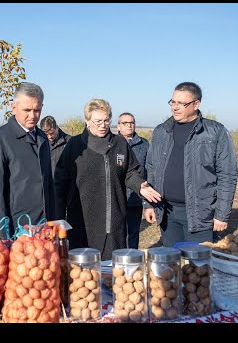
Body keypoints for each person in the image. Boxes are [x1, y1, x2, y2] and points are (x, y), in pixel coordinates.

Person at [54, 99, 161, 260]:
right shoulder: (74, 146)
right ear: (87, 120)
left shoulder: (119, 144)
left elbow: (130, 172)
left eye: (106, 120)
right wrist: (58, 215)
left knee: (112, 273)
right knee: (83, 275)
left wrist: (140, 186)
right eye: (97, 121)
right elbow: (60, 183)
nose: (103, 125)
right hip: (82, 221)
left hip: (113, 222)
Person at [143, 82, 238, 247]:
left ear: (196, 104)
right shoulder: (161, 131)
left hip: (200, 213)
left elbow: (227, 175)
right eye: (173, 102)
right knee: (171, 265)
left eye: (182, 103)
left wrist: (221, 214)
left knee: (197, 267)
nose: (175, 107)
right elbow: (151, 169)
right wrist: (149, 204)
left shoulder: (215, 132)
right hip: (167, 213)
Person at [0, 82, 55, 237]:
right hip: (17, 229)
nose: (33, 115)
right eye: (27, 110)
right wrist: (2, 235)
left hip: (43, 228)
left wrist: (52, 222)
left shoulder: (42, 138)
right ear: (13, 107)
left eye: (37, 110)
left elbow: (47, 184)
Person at [117, 112, 149, 249]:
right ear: (119, 125)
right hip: (117, 198)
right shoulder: (113, 143)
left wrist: (147, 201)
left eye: (132, 122)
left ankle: (133, 261)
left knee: (133, 233)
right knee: (118, 234)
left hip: (136, 197)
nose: (129, 125)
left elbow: (148, 171)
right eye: (125, 123)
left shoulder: (144, 144)